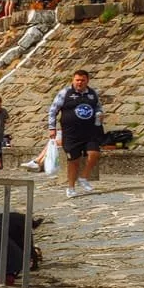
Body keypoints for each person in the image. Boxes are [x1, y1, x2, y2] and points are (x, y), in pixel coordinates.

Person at [51, 68, 104, 197]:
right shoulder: (65, 93)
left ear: (87, 81)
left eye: (82, 80)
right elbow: (53, 110)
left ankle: (84, 177)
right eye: (77, 80)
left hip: (89, 131)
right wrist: (51, 128)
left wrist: (99, 113)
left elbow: (98, 106)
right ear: (73, 80)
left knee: (95, 154)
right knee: (74, 161)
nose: (79, 83)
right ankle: (71, 187)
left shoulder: (92, 93)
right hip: (71, 134)